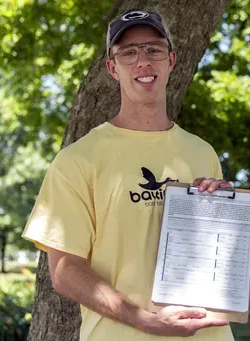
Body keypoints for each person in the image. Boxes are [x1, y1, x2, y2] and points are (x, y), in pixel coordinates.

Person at [22, 8, 235, 341]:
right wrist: (146, 320)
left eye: (154, 49)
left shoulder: (201, 153)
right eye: (128, 53)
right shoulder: (77, 160)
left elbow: (218, 259)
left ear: (171, 60)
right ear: (112, 68)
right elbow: (65, 272)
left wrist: (223, 213)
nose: (143, 61)